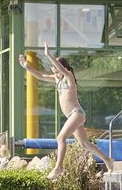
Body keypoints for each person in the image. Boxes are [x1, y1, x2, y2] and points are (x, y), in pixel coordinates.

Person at [18, 44, 113, 179]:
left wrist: (48, 55)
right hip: (71, 116)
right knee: (85, 144)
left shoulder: (69, 77)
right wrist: (27, 67)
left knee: (60, 138)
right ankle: (107, 159)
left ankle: (58, 167)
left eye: (57, 71)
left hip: (77, 113)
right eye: (54, 71)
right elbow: (40, 76)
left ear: (64, 69)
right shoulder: (57, 79)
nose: (56, 74)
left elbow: (61, 68)